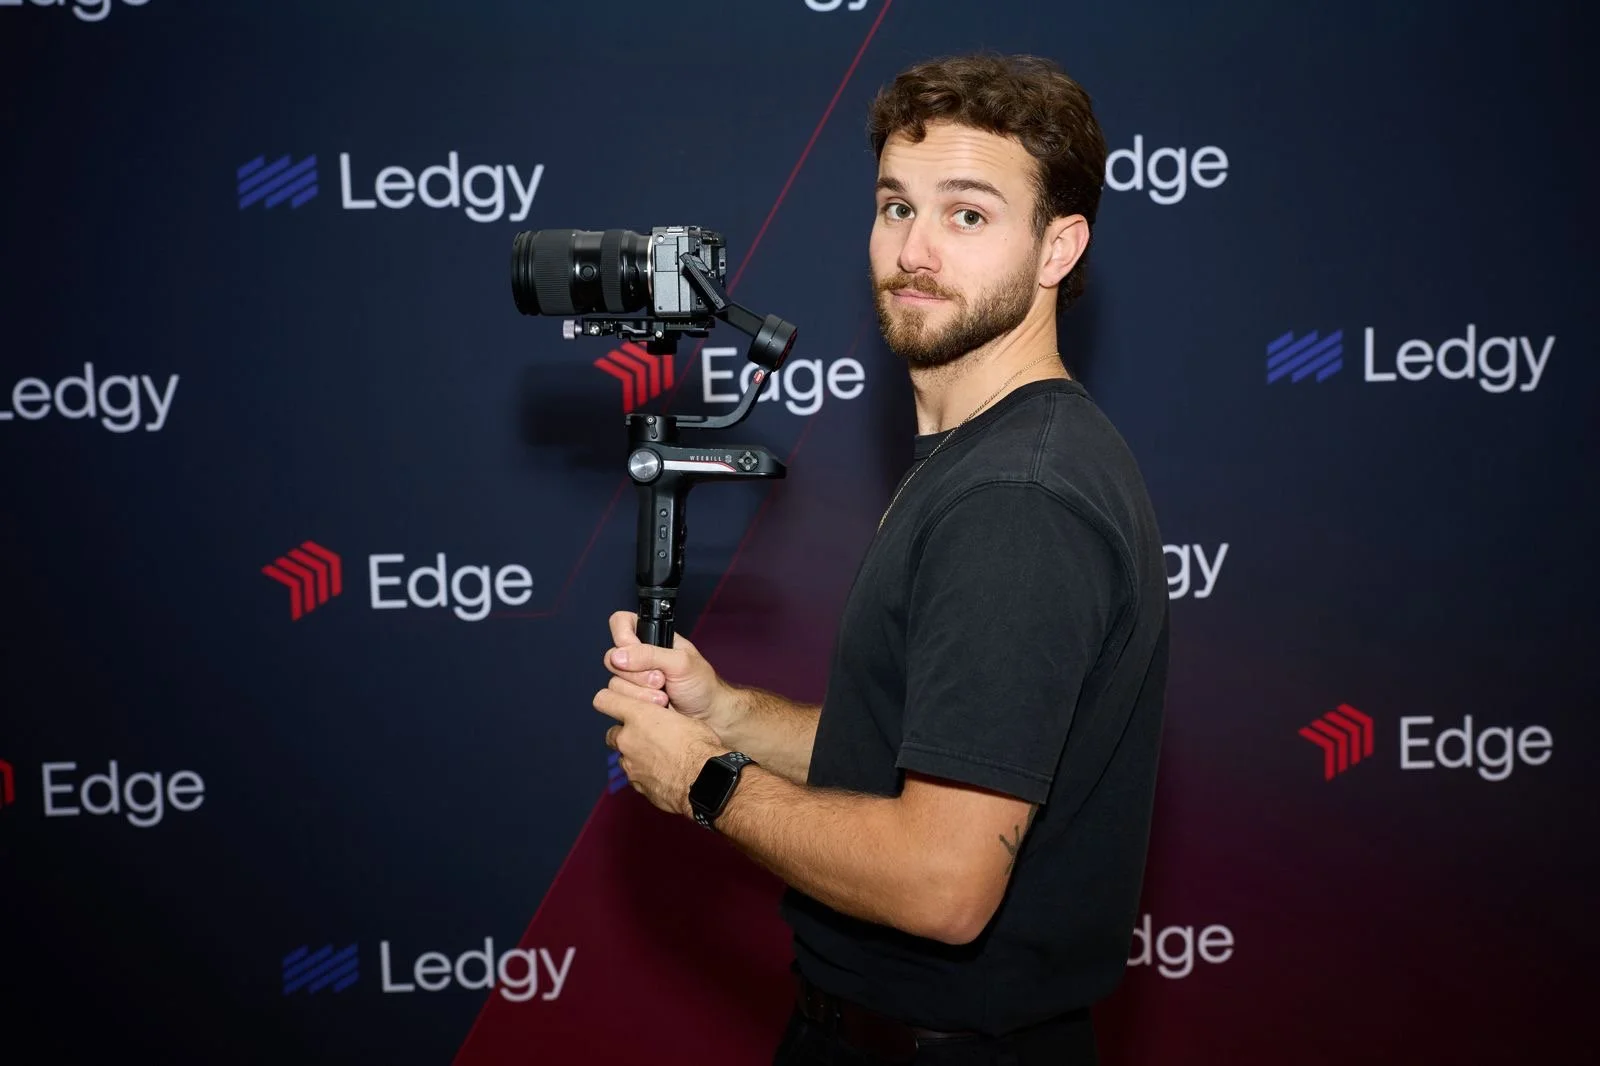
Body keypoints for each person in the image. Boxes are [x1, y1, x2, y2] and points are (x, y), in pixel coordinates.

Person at [592, 51, 1169, 1066]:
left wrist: (705, 779)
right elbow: (917, 763)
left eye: (969, 215)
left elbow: (942, 885)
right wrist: (723, 713)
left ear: (1058, 247)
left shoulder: (1014, 499)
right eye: (895, 207)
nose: (916, 249)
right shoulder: (986, 459)